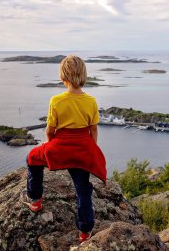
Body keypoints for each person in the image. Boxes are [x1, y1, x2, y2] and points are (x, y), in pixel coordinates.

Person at [20, 55, 106, 243]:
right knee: (83, 189)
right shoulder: (90, 101)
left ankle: (34, 200)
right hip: (83, 148)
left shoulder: (56, 101)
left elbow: (50, 131)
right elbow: (93, 130)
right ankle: (84, 231)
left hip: (60, 146)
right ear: (83, 75)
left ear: (62, 77)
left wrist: (50, 146)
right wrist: (90, 150)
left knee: (32, 158)